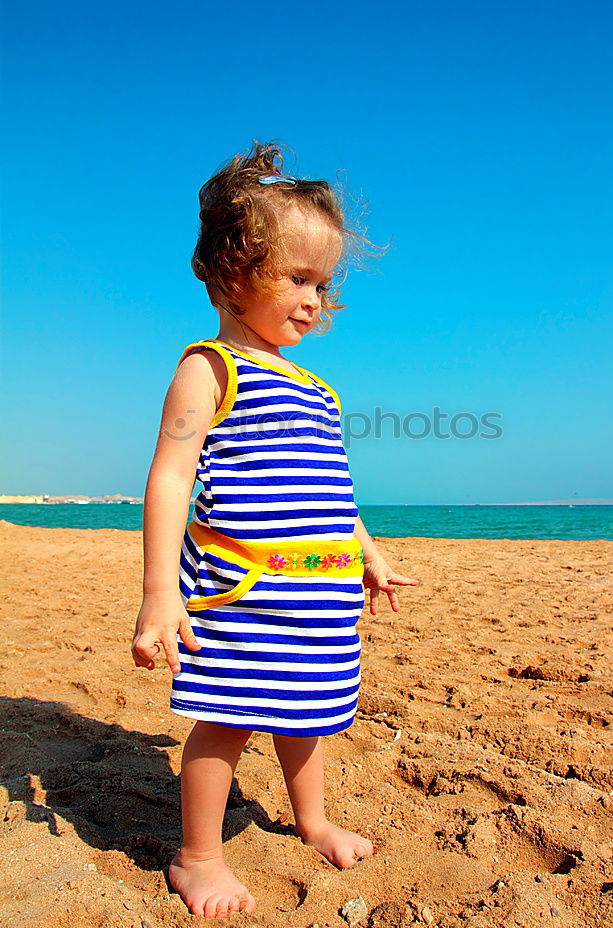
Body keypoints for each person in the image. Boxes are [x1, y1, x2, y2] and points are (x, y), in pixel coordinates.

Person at [131, 141, 419, 920]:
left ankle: (312, 819)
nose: (313, 301)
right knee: (227, 719)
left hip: (319, 596)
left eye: (322, 285)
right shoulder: (210, 368)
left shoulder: (315, 387)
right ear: (231, 271)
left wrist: (369, 555)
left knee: (310, 713)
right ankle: (198, 856)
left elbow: (332, 491)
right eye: (297, 278)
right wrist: (160, 593)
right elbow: (170, 475)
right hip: (244, 593)